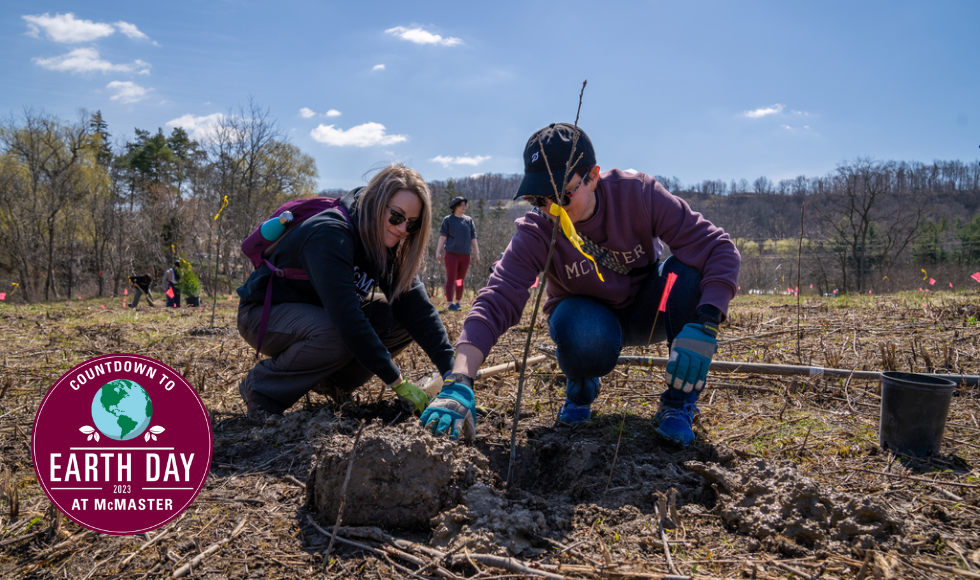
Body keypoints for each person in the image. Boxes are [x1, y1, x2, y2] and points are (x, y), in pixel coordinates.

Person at [420, 123, 740, 446]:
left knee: (687, 268)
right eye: (539, 199)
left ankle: (677, 404)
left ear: (593, 176)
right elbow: (497, 297)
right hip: (588, 321)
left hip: (647, 309)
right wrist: (460, 379)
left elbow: (718, 248)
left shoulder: (638, 195)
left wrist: (706, 323)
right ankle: (582, 390)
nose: (551, 209)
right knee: (580, 330)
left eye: (562, 195)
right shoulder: (537, 230)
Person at [235, 164, 455, 425]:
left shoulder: (386, 243)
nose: (402, 229)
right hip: (264, 314)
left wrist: (455, 379)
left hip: (320, 317)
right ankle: (261, 389)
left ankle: (331, 383)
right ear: (375, 203)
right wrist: (399, 382)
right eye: (396, 216)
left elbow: (420, 311)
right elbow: (348, 320)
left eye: (413, 224)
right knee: (336, 333)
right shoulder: (330, 233)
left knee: (399, 318)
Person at [435, 196, 480, 311]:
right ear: (455, 206)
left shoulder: (469, 220)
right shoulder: (448, 220)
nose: (464, 206)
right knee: (451, 279)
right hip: (451, 254)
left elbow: (473, 237)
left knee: (460, 279)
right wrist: (438, 251)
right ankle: (450, 304)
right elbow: (443, 236)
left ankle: (458, 303)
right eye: (462, 204)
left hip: (465, 255)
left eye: (465, 204)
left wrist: (477, 253)